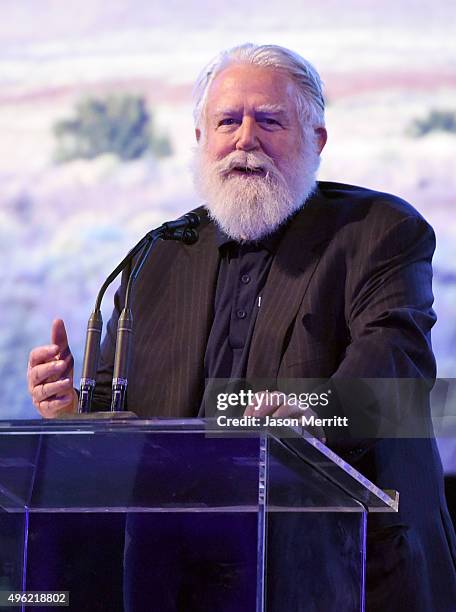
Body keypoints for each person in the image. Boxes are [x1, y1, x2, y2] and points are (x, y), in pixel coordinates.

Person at [27, 44, 456, 610]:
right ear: (203, 138)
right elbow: (117, 414)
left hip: (344, 573)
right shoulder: (158, 256)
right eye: (228, 121)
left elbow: (395, 374)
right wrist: (70, 419)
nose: (245, 139)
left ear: (317, 140)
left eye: (269, 121)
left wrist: (316, 410)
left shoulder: (378, 232)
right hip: (178, 580)